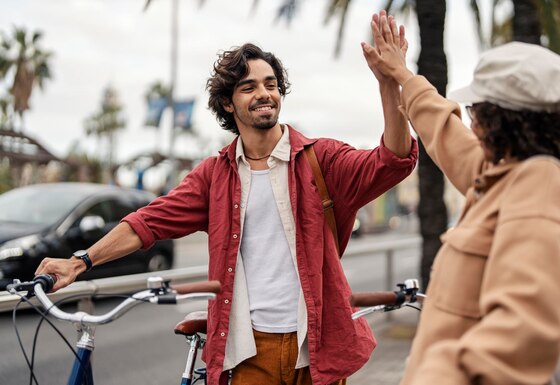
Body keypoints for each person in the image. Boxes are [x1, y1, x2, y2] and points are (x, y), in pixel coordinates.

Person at [36, 41, 417, 385]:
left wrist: (388, 83)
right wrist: (80, 261)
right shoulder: (215, 176)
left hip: (318, 343)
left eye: (270, 84)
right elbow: (148, 222)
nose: (264, 93)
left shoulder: (322, 160)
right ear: (227, 103)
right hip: (250, 352)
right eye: (249, 87)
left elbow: (393, 160)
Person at [360, 12, 560, 385]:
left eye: (477, 111)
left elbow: (520, 339)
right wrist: (401, 76)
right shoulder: (508, 176)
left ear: (502, 119)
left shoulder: (538, 188)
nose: (472, 123)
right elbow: (447, 135)